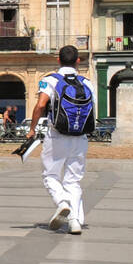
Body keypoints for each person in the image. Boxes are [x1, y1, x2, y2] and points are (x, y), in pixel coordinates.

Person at [25, 45, 95, 235]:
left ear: (58, 60)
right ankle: (76, 221)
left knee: (51, 176)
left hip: (57, 135)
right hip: (80, 137)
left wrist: (32, 129)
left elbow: (40, 105)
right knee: (73, 181)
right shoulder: (87, 82)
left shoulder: (50, 80)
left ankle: (63, 204)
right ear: (78, 61)